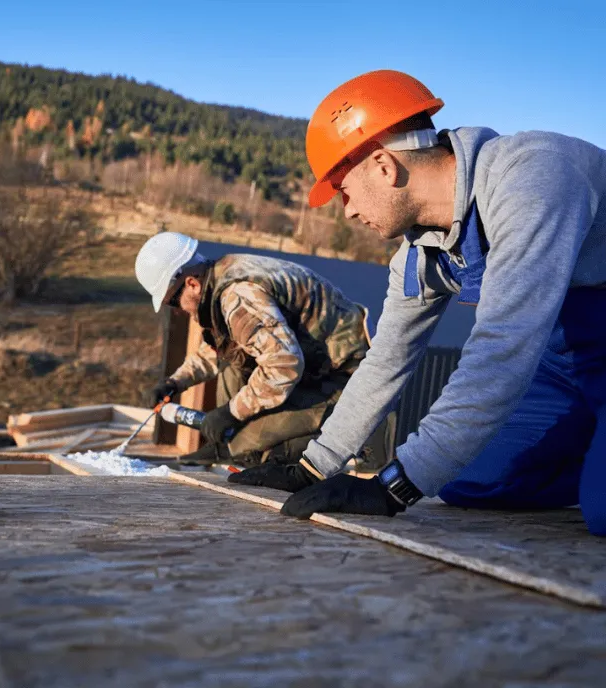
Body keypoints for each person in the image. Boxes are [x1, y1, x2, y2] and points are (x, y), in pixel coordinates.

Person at [229, 69, 606, 536]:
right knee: (467, 481)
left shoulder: (533, 177)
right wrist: (313, 467)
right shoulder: (421, 255)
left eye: (344, 192)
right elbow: (387, 359)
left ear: (385, 166)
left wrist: (394, 489)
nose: (346, 211)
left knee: (602, 510)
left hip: (558, 343)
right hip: (561, 358)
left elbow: (503, 350)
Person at [135, 232, 374, 467]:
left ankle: (268, 450)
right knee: (233, 369)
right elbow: (220, 350)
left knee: (253, 442)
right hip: (312, 366)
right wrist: (174, 383)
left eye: (173, 302)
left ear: (192, 284)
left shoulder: (238, 297)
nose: (177, 310)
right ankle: (231, 448)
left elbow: (284, 366)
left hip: (345, 379)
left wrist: (231, 413)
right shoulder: (222, 275)